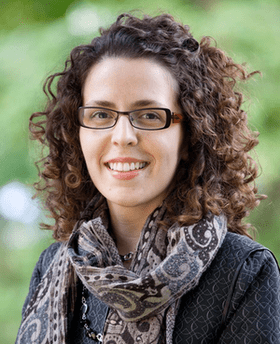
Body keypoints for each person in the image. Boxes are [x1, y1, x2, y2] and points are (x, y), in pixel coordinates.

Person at [16, 12, 280, 344]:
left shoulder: (242, 270)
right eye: (100, 114)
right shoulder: (54, 266)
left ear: (189, 136)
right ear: (76, 133)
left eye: (150, 115)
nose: (123, 136)